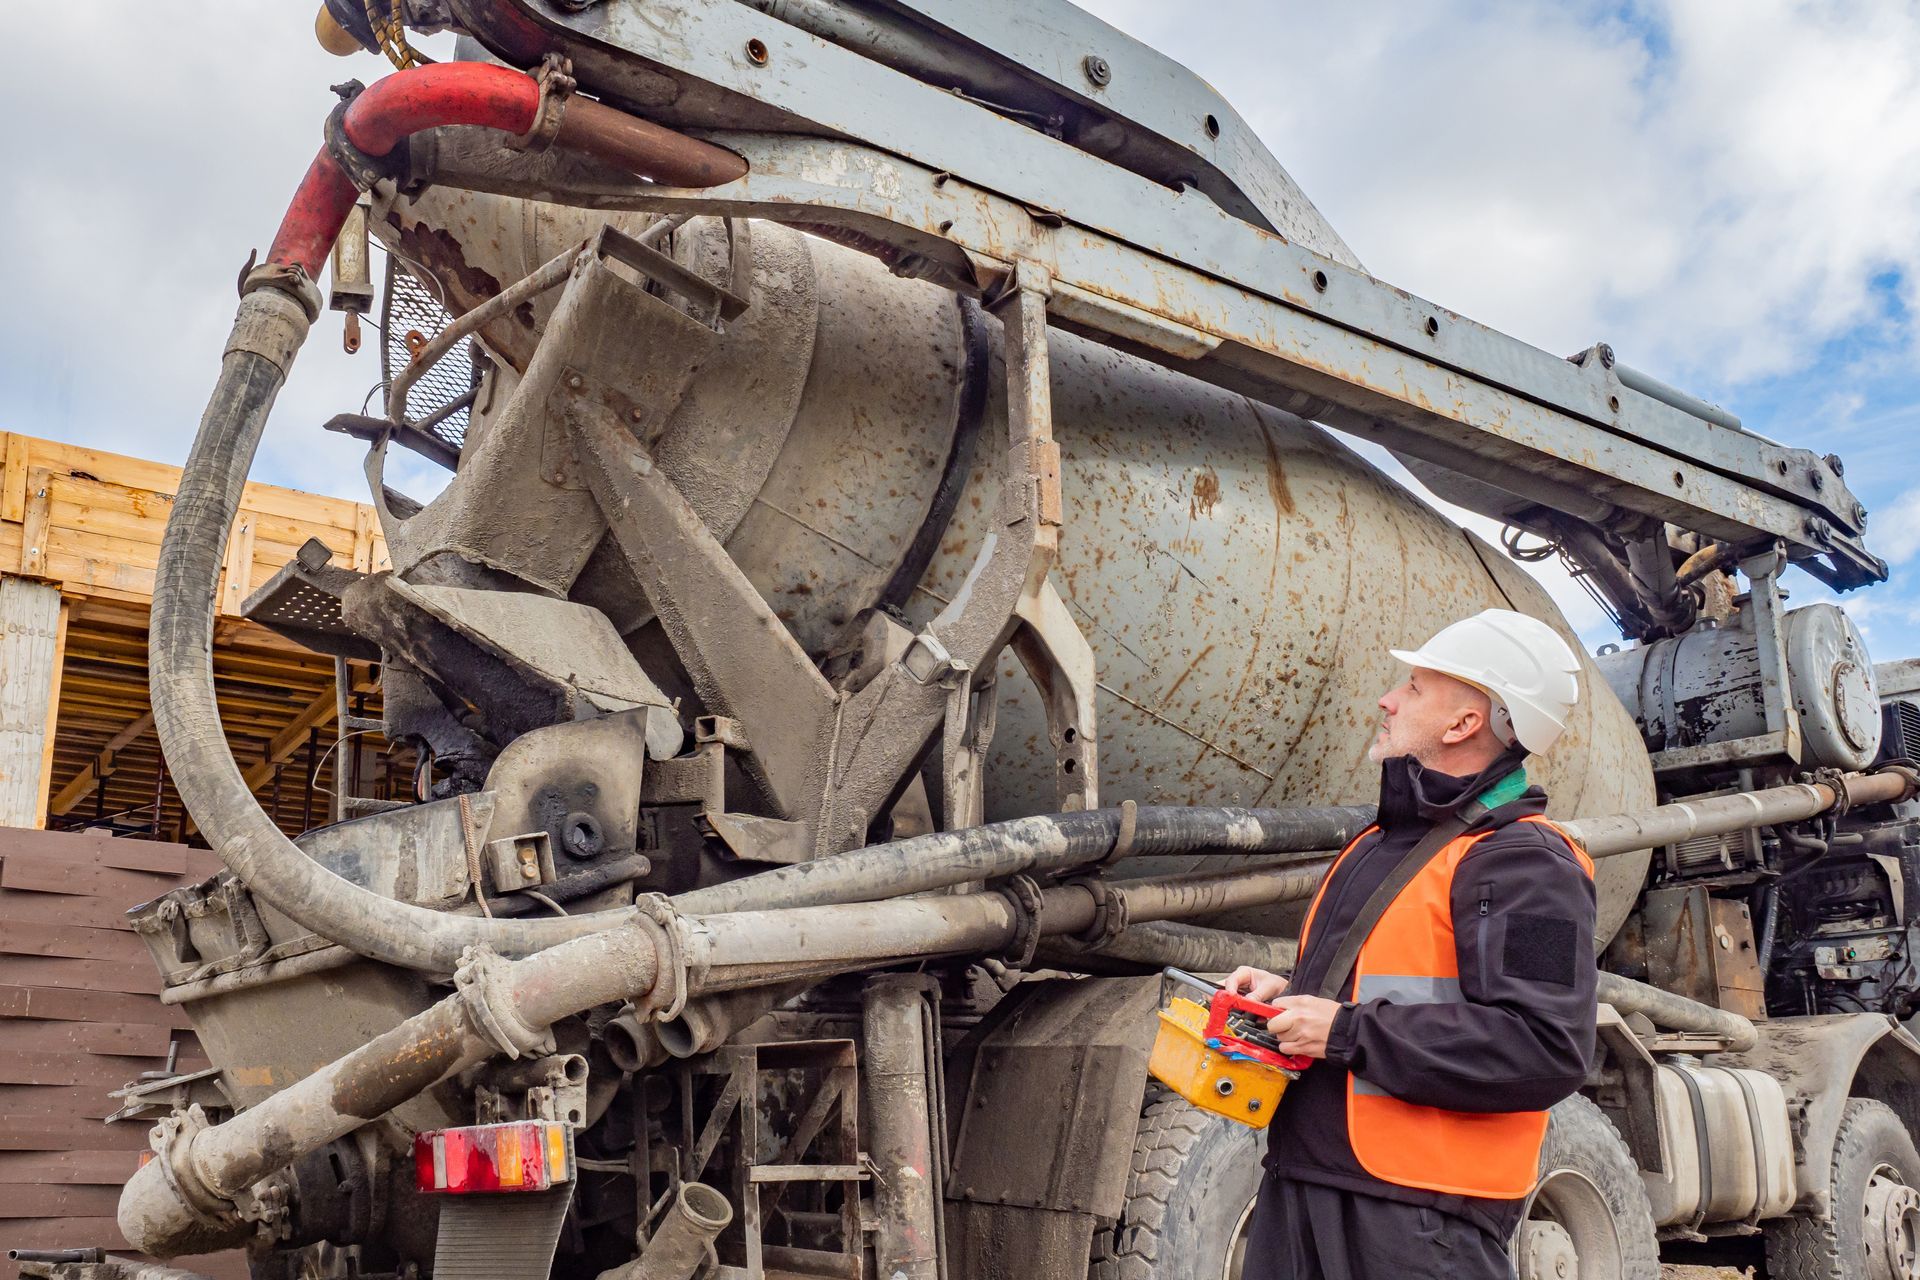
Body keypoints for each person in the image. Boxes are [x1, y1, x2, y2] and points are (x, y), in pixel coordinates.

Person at [1227, 608, 1598, 1280]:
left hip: (1419, 1222)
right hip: (1304, 1184)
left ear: (1464, 725)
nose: (1388, 698)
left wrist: (1344, 1032)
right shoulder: (1379, 844)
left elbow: (1546, 1047)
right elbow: (1394, 987)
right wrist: (1297, 1000)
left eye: (1416, 689)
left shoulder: (1526, 861)